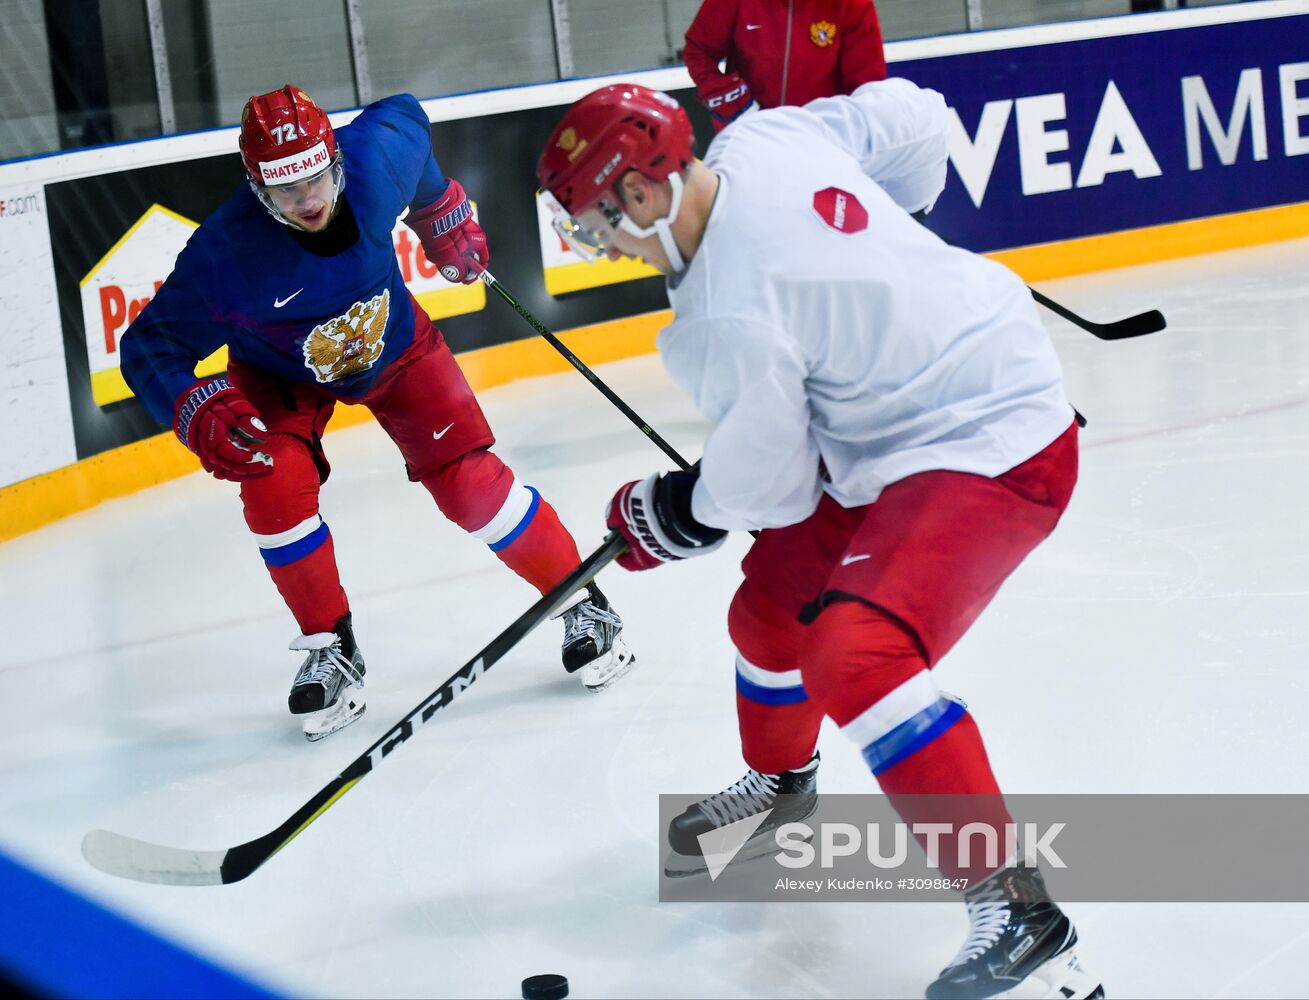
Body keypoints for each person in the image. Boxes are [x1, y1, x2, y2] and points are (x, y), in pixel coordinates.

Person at [536, 82, 1102, 999]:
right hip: (888, 434)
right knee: (769, 616)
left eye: (593, 222)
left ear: (638, 193)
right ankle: (779, 790)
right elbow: (920, 118)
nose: (596, 244)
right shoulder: (767, 140)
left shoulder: (724, 316)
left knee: (855, 653)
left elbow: (771, 486)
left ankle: (1018, 906)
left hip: (993, 440)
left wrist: (671, 512)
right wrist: (900, 248)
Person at [120, 85, 634, 743]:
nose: (306, 199)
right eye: (284, 190)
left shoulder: (374, 159)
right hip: (281, 374)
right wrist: (191, 403)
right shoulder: (226, 255)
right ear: (256, 188)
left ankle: (581, 601)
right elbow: (149, 346)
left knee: (470, 488)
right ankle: (332, 646)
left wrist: (438, 207)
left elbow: (407, 115)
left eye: (315, 178)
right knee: (270, 482)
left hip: (396, 349)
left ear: (336, 159)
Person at [683, 0, 887, 131]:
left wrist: (838, 134)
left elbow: (867, 90)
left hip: (821, 144)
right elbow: (698, 50)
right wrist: (731, 102)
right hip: (748, 138)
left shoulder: (852, 5)